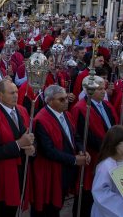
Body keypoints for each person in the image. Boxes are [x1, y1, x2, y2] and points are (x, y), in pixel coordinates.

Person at [31, 84, 89, 217]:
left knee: (58, 205)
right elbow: (48, 151)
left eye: (66, 98)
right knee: (48, 209)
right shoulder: (41, 120)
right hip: (50, 172)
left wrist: (81, 150)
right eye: (61, 99)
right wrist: (74, 160)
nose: (66, 101)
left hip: (64, 169)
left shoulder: (67, 115)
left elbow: (76, 136)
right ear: (49, 101)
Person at [0, 80, 34, 217]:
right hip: (3, 176)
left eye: (16, 92)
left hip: (21, 171)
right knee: (5, 212)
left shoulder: (22, 110)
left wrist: (32, 148)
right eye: (11, 93)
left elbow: (29, 136)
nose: (16, 95)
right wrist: (18, 144)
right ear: (0, 95)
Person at [71, 74, 118, 217]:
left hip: (111, 153)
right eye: (99, 89)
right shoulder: (80, 108)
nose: (104, 91)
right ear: (87, 90)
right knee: (87, 192)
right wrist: (107, 148)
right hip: (94, 155)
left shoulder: (106, 105)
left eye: (104, 88)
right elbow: (82, 135)